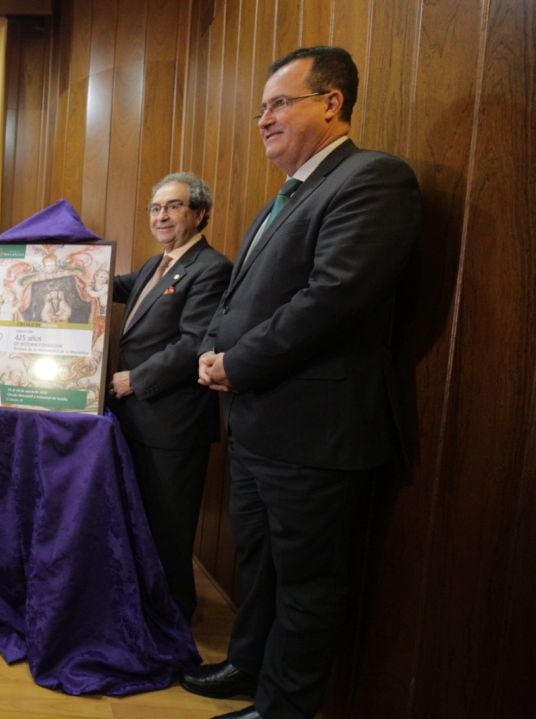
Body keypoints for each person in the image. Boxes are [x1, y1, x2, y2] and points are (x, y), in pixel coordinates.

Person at [185, 47, 420, 719]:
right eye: (261, 107)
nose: (263, 119)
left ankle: (283, 708)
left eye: (278, 103)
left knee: (307, 582)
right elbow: (237, 298)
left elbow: (330, 299)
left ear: (331, 103)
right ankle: (246, 665)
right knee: (260, 565)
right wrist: (210, 351)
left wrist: (237, 363)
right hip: (259, 424)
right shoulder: (284, 197)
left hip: (316, 432)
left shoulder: (373, 180)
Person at [109, 172, 232, 622]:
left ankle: (174, 618)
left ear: (199, 213)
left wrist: (134, 379)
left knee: (169, 529)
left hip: (173, 425)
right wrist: (63, 257)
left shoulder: (211, 268)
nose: (162, 216)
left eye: (174, 206)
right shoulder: (155, 264)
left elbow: (191, 343)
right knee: (140, 520)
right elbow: (114, 284)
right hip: (138, 421)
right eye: (156, 208)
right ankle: (144, 608)